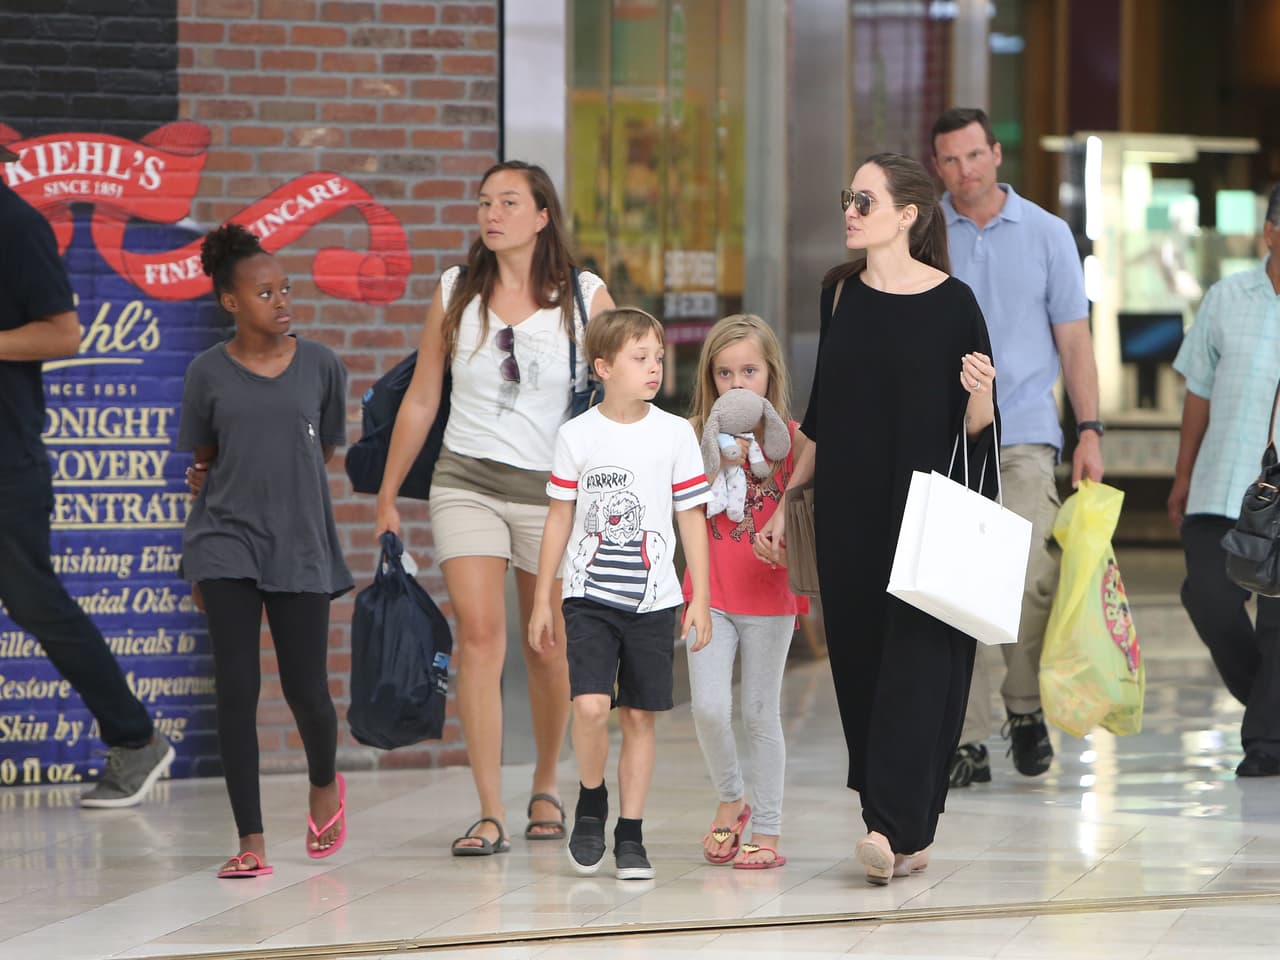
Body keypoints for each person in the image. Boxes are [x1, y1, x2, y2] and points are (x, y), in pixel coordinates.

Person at [758, 152, 999, 884]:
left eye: (865, 201)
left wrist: (981, 395)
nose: (850, 212)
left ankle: (886, 827)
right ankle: (904, 828)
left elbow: (983, 430)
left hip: (929, 515)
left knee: (918, 666)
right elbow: (824, 418)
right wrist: (784, 505)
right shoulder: (841, 297)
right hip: (851, 514)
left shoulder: (956, 303)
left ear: (908, 215)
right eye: (848, 198)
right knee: (860, 665)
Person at [374, 161, 616, 855]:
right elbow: (423, 395)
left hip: (552, 492)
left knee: (548, 644)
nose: (492, 213)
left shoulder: (585, 296)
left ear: (543, 216)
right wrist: (390, 494)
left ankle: (545, 781)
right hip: (466, 481)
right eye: (485, 202)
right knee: (479, 637)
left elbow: (624, 388)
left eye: (509, 202)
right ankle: (488, 809)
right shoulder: (455, 291)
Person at [931, 107, 1103, 787]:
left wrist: (1090, 429)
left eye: (974, 156)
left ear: (997, 155)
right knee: (956, 585)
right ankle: (966, 736)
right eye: (949, 160)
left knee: (1032, 575)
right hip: (944, 435)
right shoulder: (924, 233)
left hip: (1027, 431)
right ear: (937, 166)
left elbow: (1075, 339)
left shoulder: (1048, 234)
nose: (963, 171)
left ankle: (1024, 704)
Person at [0, 144, 174, 809]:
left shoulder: (14, 226)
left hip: (6, 461)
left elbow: (64, 334)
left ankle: (135, 739)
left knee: (36, 603)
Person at [179, 223, 351, 878]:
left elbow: (323, 450)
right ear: (231, 302)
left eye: (285, 289)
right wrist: (206, 493)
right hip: (222, 540)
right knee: (237, 688)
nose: (281, 301)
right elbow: (205, 461)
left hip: (300, 541)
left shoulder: (321, 365)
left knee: (307, 688)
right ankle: (251, 839)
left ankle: (324, 782)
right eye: (264, 292)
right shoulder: (206, 374)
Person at [528, 306, 712, 880]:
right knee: (590, 706)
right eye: (641, 358)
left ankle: (630, 834)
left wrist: (699, 594)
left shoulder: (676, 433)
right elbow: (559, 518)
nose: (654, 367)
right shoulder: (577, 436)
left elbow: (691, 519)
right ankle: (590, 798)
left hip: (654, 600)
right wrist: (542, 597)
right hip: (587, 597)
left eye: (658, 357)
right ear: (604, 367)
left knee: (639, 718)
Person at [682, 313, 807, 870]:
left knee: (760, 713)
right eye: (725, 373)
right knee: (708, 709)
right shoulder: (692, 437)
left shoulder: (794, 439)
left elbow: (808, 501)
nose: (737, 385)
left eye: (749, 371)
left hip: (770, 596)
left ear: (769, 373)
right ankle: (732, 796)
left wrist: (784, 525)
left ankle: (771, 831)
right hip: (707, 593)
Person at [1168, 183, 1280, 778]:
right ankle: (1272, 706)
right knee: (1209, 596)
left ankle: (1265, 743)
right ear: (1270, 231)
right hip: (1220, 485)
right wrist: (1182, 475)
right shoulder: (1228, 297)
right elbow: (1198, 392)